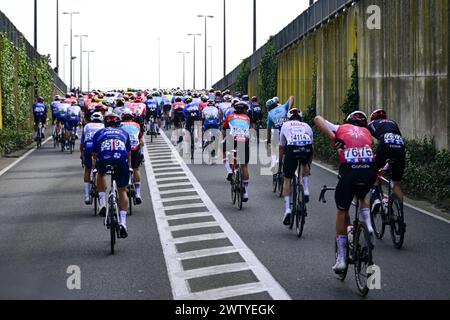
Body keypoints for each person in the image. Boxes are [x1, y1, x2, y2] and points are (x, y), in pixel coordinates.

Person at [314, 111, 376, 273]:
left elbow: (317, 119)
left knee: (342, 210)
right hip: (369, 171)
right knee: (362, 195)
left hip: (349, 171)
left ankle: (341, 259)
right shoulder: (367, 132)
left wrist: (334, 138)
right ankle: (368, 226)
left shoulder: (341, 127)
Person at [92, 113, 132, 239]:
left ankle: (102, 203)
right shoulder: (124, 133)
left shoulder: (99, 133)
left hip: (105, 158)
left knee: (101, 174)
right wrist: (128, 166)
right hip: (121, 160)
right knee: (122, 190)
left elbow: (94, 154)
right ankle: (123, 223)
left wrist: (95, 167)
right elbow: (129, 154)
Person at [279, 108, 314, 225]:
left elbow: (282, 146)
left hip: (292, 148)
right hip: (306, 147)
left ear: (288, 118)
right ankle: (306, 189)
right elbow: (311, 146)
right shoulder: (307, 125)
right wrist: (309, 164)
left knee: (287, 178)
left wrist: (280, 161)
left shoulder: (285, 124)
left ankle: (288, 209)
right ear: (301, 118)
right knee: (304, 163)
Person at [368, 109, 406, 207]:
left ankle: (376, 199)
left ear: (372, 118)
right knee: (396, 184)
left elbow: (364, 139)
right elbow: (395, 140)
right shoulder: (393, 123)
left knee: (374, 172)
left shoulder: (372, 123)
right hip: (400, 147)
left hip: (385, 145)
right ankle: (400, 214)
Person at [222, 101, 251, 202]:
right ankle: (246, 192)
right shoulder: (247, 118)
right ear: (244, 110)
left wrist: (223, 138)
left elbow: (224, 128)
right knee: (244, 166)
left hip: (232, 139)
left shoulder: (230, 116)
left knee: (227, 153)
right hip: (244, 140)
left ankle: (232, 170)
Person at [120, 109, 144, 205]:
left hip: (124, 149)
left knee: (121, 169)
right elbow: (140, 139)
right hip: (135, 148)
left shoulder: (119, 125)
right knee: (136, 169)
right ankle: (138, 194)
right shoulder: (136, 125)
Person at [80, 112, 105, 204]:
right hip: (99, 146)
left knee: (87, 169)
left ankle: (87, 196)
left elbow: (82, 142)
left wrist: (82, 154)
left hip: (88, 145)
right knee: (101, 171)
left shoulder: (87, 126)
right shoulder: (103, 126)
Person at [267, 96, 295, 173]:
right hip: (290, 131)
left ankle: (276, 163)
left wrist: (268, 140)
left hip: (279, 132)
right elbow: (291, 97)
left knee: (275, 146)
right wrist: (289, 109)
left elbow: (268, 129)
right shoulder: (283, 107)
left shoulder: (270, 114)